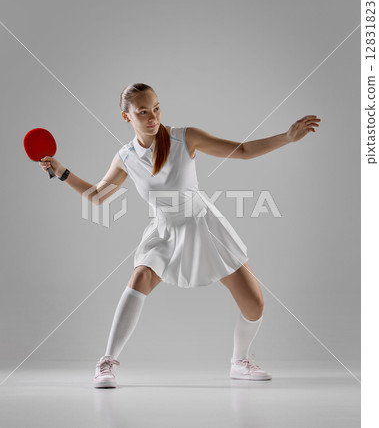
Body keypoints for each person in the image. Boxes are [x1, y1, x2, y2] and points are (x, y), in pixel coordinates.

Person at [39, 83, 320, 388]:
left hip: (203, 224)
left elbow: (242, 151)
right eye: (142, 111)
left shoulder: (185, 137)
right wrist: (62, 172)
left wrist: (287, 138)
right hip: (164, 231)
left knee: (255, 304)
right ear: (126, 116)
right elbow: (97, 195)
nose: (152, 116)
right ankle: (106, 363)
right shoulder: (125, 157)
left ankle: (240, 362)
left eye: (156, 107)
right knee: (139, 278)